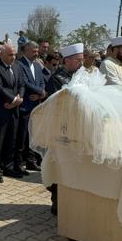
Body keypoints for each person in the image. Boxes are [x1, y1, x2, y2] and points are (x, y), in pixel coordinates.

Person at [45, 43, 84, 214]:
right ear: (67, 60)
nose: (81, 63)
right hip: (60, 130)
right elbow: (55, 106)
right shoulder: (56, 78)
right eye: (78, 60)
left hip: (77, 128)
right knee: (59, 165)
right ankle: (57, 201)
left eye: (82, 60)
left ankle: (71, 199)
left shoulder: (81, 77)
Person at [0, 43, 25, 182]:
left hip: (14, 109)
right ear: (1, 54)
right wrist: (13, 99)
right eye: (10, 54)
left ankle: (8, 166)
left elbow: (21, 84)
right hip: (1, 109)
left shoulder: (17, 66)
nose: (13, 57)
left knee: (12, 139)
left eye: (14, 54)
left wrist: (18, 98)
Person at [16, 41, 46, 173]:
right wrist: (40, 92)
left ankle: (30, 161)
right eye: (34, 51)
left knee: (33, 136)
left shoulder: (37, 66)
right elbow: (25, 83)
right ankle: (18, 164)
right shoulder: (19, 64)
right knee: (22, 137)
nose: (37, 53)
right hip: (25, 106)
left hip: (36, 105)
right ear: (26, 51)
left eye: (37, 51)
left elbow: (41, 82)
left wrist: (41, 94)